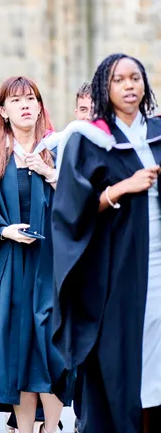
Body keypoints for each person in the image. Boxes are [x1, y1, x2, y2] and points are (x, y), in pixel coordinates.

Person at [53, 54, 161, 433]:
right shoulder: (90, 139)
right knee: (123, 358)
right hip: (118, 269)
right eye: (119, 80)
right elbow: (71, 210)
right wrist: (122, 187)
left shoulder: (158, 132)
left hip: (159, 263)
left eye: (136, 78)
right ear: (105, 87)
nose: (129, 86)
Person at [0, 76, 65, 433]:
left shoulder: (57, 150)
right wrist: (4, 230)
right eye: (16, 100)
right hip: (10, 264)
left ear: (39, 106)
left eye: (31, 98)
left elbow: (80, 203)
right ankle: (24, 430)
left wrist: (50, 174)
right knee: (19, 352)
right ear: (3, 111)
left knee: (51, 349)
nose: (25, 105)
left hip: (51, 265)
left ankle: (51, 427)